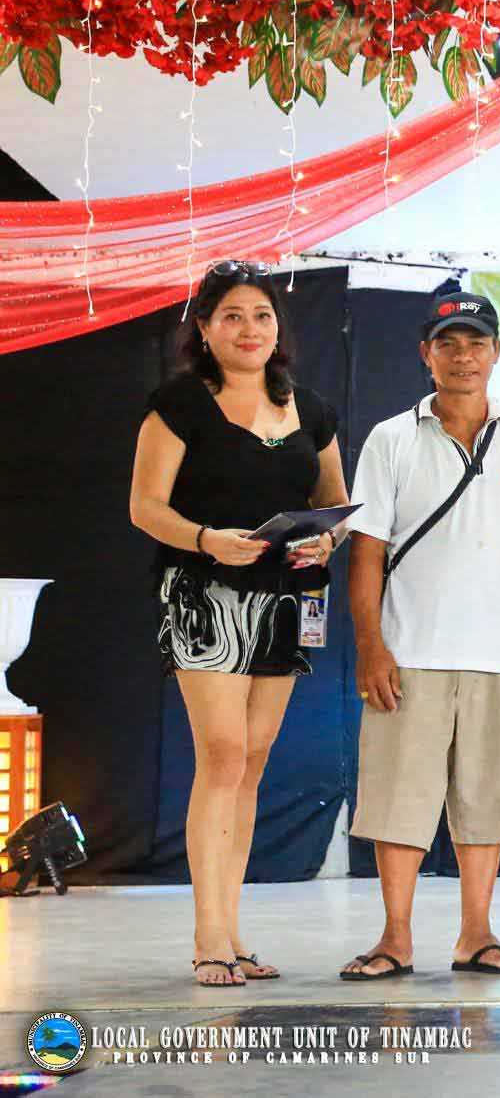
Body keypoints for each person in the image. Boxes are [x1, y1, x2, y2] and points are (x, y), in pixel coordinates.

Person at [129, 262, 350, 987]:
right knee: (222, 756)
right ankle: (208, 936)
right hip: (204, 594)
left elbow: (334, 504)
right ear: (203, 328)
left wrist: (326, 539)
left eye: (262, 315)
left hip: (285, 600)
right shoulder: (178, 404)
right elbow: (145, 506)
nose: (249, 328)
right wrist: (205, 539)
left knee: (252, 762)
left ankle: (232, 929)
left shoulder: (309, 407)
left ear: (278, 328)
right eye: (232, 315)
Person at [340, 292, 500, 981]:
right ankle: (394, 937)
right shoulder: (391, 437)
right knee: (398, 802)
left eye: (476, 342)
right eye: (449, 343)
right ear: (425, 354)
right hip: (411, 651)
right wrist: (371, 645)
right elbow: (367, 551)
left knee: (487, 801)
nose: (464, 356)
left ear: (496, 352)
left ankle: (477, 933)